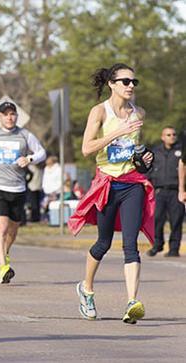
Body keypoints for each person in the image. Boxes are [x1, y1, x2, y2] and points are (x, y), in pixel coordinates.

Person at [68, 63, 155, 325]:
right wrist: (116, 132)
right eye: (125, 81)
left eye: (133, 82)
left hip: (132, 184)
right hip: (107, 183)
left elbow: (133, 148)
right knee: (103, 243)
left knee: (131, 244)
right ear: (112, 84)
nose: (130, 86)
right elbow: (86, 148)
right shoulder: (99, 112)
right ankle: (87, 289)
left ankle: (132, 302)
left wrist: (144, 157)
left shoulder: (139, 113)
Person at [0, 101, 46, 284]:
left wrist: (29, 158)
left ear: (16, 116)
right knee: (2, 228)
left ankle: (5, 254)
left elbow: (41, 153)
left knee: (13, 230)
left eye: (12, 114)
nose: (9, 117)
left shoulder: (24, 135)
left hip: (18, 187)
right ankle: (3, 266)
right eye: (5, 114)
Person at [146, 126, 183, 257]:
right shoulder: (155, 152)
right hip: (159, 191)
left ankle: (174, 249)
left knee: (176, 220)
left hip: (176, 191)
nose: (171, 136)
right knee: (156, 219)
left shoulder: (181, 151)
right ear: (162, 137)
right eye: (168, 134)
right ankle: (157, 244)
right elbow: (148, 171)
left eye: (173, 134)